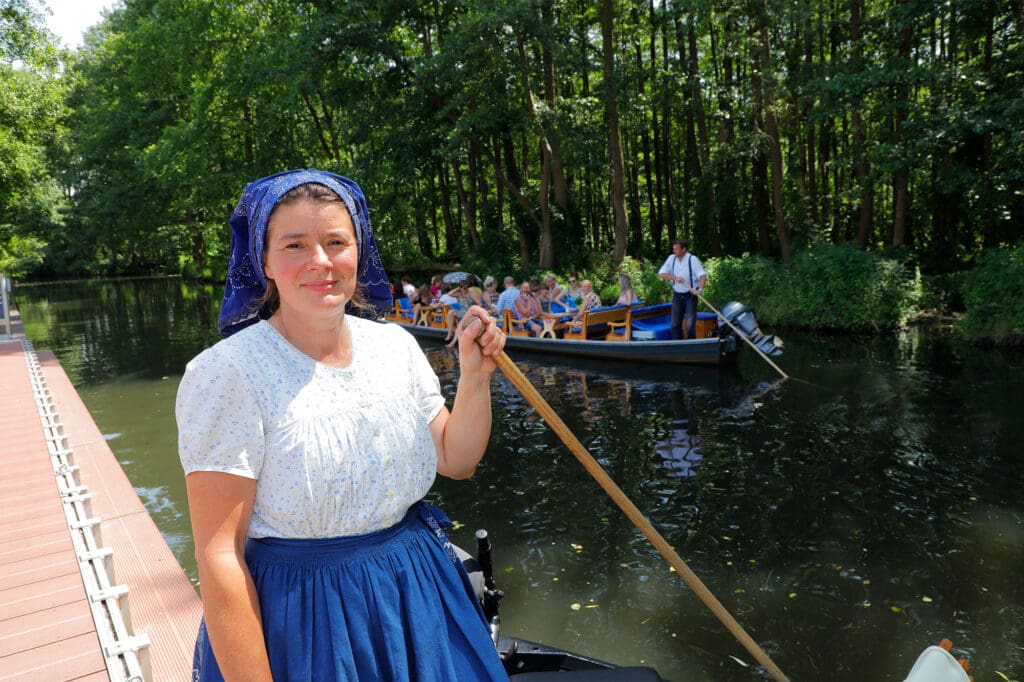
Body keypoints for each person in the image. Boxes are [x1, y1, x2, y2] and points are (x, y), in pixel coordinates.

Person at [176, 169, 508, 682]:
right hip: (306, 621)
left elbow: (457, 459)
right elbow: (219, 553)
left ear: (360, 251)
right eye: (294, 244)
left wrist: (475, 377)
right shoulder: (227, 374)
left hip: (417, 591)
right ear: (262, 260)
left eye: (336, 241)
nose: (321, 262)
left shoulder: (394, 346)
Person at [658, 238, 707, 340]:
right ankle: (678, 345)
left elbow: (702, 276)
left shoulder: (692, 260)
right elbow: (661, 274)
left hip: (691, 295)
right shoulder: (672, 259)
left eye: (676, 249)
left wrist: (699, 290)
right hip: (677, 295)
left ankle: (691, 345)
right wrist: (675, 278)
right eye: (673, 249)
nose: (674, 251)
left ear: (684, 249)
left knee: (689, 325)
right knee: (675, 324)